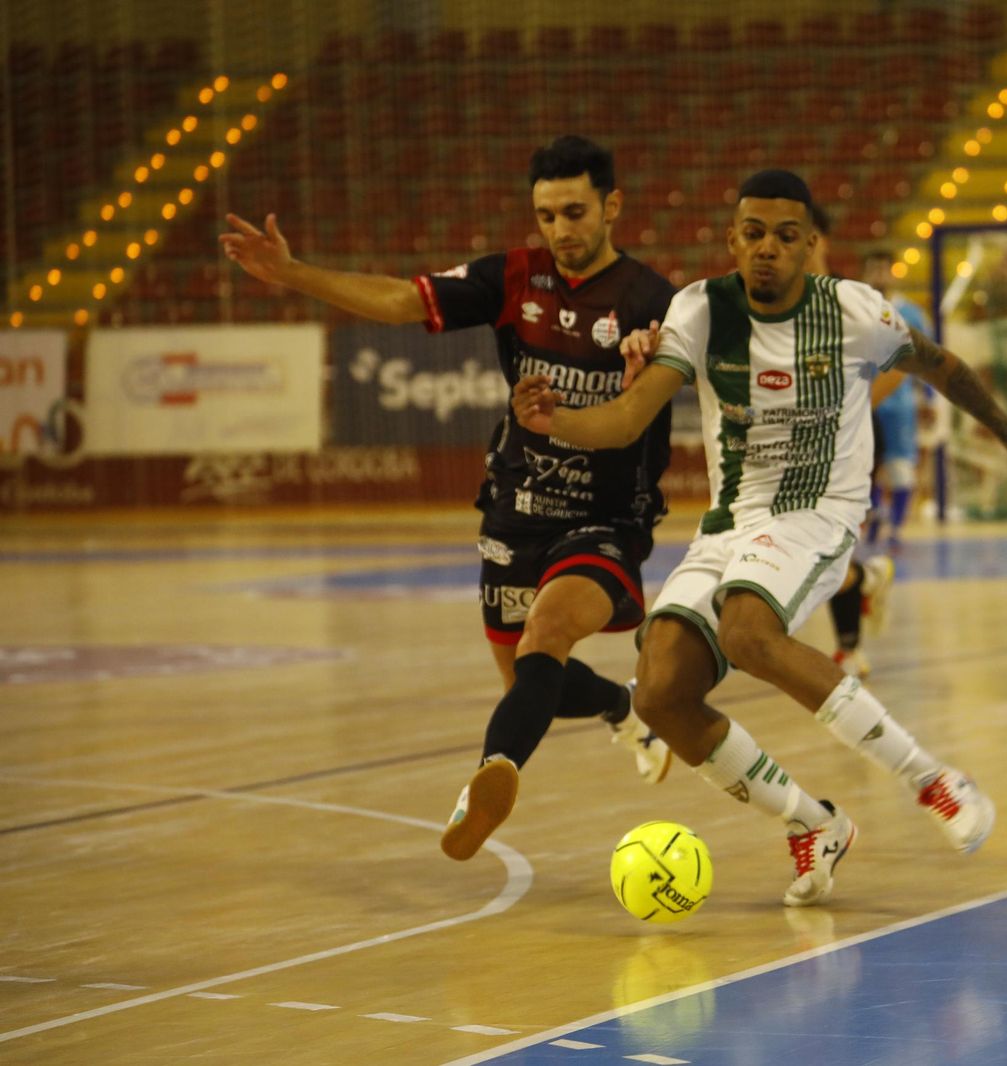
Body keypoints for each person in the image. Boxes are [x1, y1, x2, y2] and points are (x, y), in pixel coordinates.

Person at [514, 169, 1007, 907]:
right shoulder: (702, 310)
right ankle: (815, 822)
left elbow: (946, 368)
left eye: (785, 236)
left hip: (819, 512)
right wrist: (552, 422)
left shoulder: (855, 313)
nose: (767, 249)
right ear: (732, 241)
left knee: (747, 630)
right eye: (753, 234)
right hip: (731, 521)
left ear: (811, 246)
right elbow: (625, 418)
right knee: (658, 692)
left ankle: (933, 780)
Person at [219, 135, 675, 863]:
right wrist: (295, 274)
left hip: (604, 518)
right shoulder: (514, 279)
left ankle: (489, 778)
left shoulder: (656, 302)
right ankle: (622, 706)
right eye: (546, 214)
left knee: (547, 635)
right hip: (515, 510)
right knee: (535, 681)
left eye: (576, 211)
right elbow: (404, 300)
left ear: (612, 206)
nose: (560, 229)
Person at [805, 208, 895, 679]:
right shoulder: (765, 304)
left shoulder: (849, 299)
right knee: (808, 547)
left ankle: (847, 647)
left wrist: (853, 409)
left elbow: (901, 363)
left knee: (829, 542)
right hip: (796, 441)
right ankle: (867, 577)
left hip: (850, 438)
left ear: (817, 238)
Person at [860, 250, 931, 552]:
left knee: (901, 468)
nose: (878, 275)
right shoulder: (856, 311)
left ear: (893, 273)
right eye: (873, 268)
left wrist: (929, 399)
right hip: (864, 403)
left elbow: (927, 358)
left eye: (883, 269)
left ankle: (896, 530)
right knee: (866, 468)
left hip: (900, 406)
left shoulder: (911, 314)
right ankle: (876, 513)